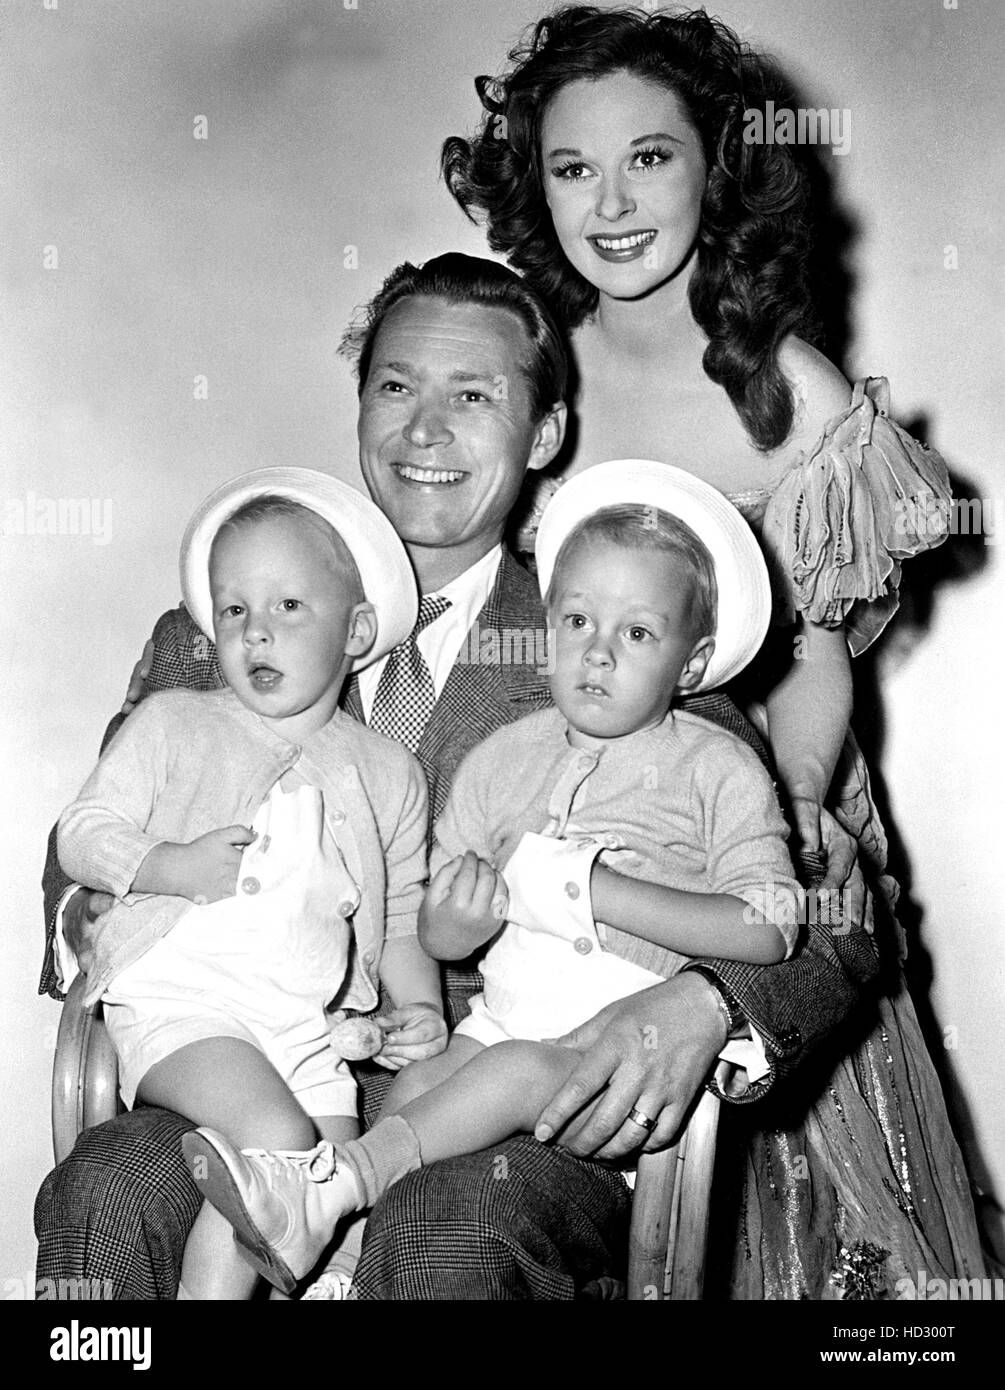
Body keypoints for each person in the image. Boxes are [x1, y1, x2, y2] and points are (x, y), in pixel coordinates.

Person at [37, 254, 878, 1301]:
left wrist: (701, 1004)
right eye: (396, 387)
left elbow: (838, 923)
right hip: (242, 1064)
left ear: (546, 434)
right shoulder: (221, 623)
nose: (424, 430)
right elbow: (78, 863)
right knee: (108, 1187)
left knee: (452, 1223)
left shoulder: (616, 639)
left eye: (472, 396)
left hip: (506, 1101)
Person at [441, 5, 986, 1294]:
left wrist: (789, 811)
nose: (611, 203)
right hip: (585, 788)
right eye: (574, 169)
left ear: (717, 170)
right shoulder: (542, 366)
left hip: (751, 790)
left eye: (651, 158)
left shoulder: (784, 385)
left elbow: (816, 652)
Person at [183, 463, 809, 1296]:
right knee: (415, 1087)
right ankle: (337, 1268)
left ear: (691, 665)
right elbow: (435, 935)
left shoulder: (716, 765)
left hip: (609, 1055)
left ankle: (336, 1189)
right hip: (496, 1019)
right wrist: (460, 918)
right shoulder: (503, 759)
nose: (596, 651)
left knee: (511, 1071)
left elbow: (771, 926)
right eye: (577, 620)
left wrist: (596, 889)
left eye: (636, 634)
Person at [55, 472, 447, 1299]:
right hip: (186, 1001)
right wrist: (170, 867)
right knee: (272, 1142)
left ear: (357, 630)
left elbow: (405, 922)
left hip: (309, 1032)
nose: (254, 633)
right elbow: (81, 834)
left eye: (288, 608)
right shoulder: (173, 721)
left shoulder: (388, 772)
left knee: (336, 1213)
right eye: (234, 610)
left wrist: (421, 1011)